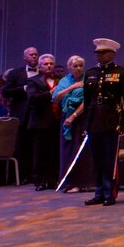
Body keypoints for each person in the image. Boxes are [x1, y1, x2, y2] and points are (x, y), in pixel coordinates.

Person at [82, 39, 124, 206]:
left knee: (109, 159)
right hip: (94, 119)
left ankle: (109, 192)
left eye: (103, 52)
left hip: (111, 119)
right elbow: (87, 99)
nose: (100, 55)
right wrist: (86, 124)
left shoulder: (122, 72)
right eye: (98, 53)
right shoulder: (90, 73)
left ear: (112, 54)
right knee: (97, 158)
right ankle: (98, 192)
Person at [1, 45, 40, 179]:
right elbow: (5, 92)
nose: (34, 56)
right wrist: (22, 89)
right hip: (21, 114)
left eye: (36, 54)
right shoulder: (15, 73)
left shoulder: (43, 73)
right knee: (22, 145)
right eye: (31, 55)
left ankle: (36, 174)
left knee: (37, 145)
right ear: (25, 57)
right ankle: (22, 175)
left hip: (38, 114)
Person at [24, 53, 60, 190]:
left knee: (54, 152)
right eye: (46, 64)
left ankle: (53, 180)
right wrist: (50, 93)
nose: (49, 66)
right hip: (40, 121)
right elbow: (32, 98)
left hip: (56, 120)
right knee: (40, 153)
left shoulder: (60, 80)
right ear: (40, 66)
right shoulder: (33, 81)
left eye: (51, 63)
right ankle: (39, 181)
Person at [52, 55, 86, 193]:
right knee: (66, 150)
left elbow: (87, 101)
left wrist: (73, 116)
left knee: (78, 151)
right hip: (65, 117)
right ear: (69, 67)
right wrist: (72, 87)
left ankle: (79, 183)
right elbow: (55, 98)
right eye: (75, 66)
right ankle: (67, 182)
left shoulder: (87, 79)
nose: (78, 68)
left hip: (81, 118)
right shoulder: (65, 80)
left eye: (80, 65)